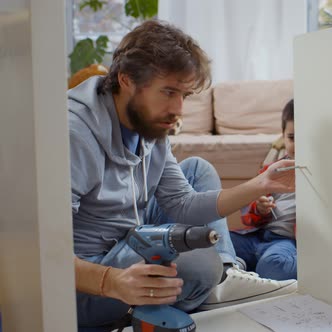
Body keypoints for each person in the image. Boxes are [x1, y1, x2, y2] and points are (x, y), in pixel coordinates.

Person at [69, 20, 297, 330]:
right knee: (197, 264)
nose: (178, 109)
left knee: (197, 169)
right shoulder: (74, 134)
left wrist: (261, 184)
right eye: (168, 92)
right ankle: (202, 284)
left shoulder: (148, 122)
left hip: (128, 235)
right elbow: (38, 253)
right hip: (87, 281)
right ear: (126, 80)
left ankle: (224, 277)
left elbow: (182, 203)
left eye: (185, 96)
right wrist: (112, 281)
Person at [230, 100, 297, 281]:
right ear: (282, 137)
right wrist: (259, 208)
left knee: (276, 265)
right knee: (218, 241)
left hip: (286, 243)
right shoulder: (272, 169)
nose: (297, 145)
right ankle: (239, 265)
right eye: (291, 138)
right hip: (257, 237)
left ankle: (242, 269)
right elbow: (247, 216)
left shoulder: (319, 175)